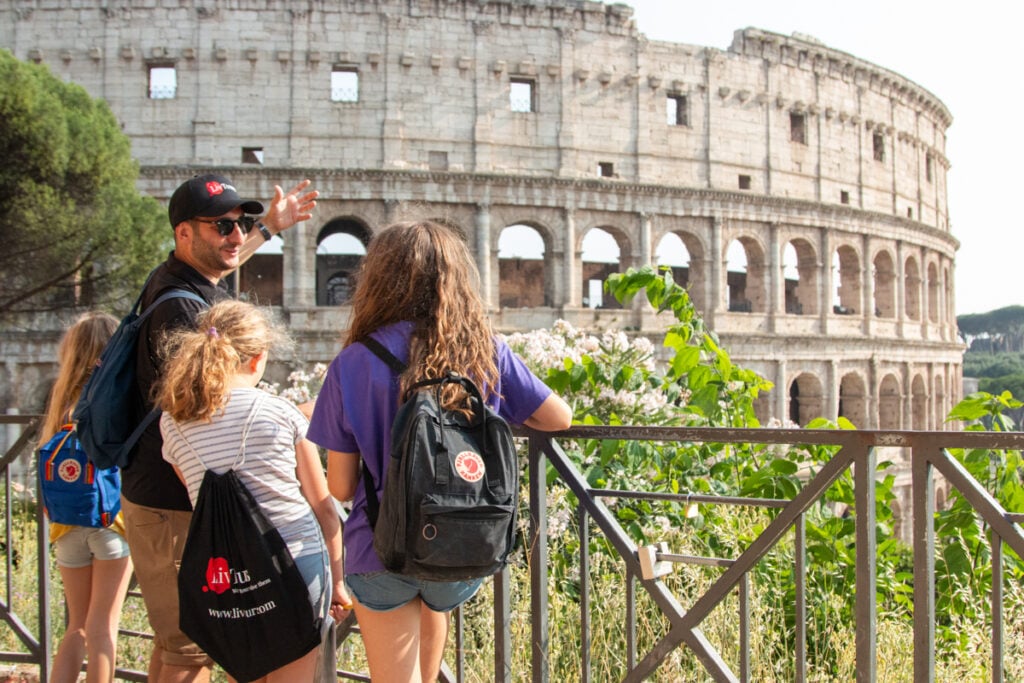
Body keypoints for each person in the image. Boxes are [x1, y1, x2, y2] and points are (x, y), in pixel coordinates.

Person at [307, 220, 573, 682]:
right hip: (460, 545)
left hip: (379, 551)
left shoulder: (352, 362)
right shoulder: (485, 352)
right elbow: (558, 418)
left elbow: (342, 485)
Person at [122, 173, 318, 683]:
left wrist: (269, 228)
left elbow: (221, 268)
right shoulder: (185, 312)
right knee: (189, 650)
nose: (235, 235)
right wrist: (293, 415)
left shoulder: (179, 285)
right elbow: (206, 405)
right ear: (183, 233)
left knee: (178, 643)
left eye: (240, 224)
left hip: (175, 497)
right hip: (168, 503)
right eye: (221, 226)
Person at [155, 299, 350, 682]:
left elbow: (202, 501)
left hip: (227, 574)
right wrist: (340, 580)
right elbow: (324, 508)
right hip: (295, 565)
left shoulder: (171, 423)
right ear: (258, 359)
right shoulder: (279, 412)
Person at [38, 311, 134, 683]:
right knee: (104, 627)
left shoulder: (62, 400)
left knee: (76, 626)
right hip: (111, 523)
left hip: (65, 525)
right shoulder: (114, 399)